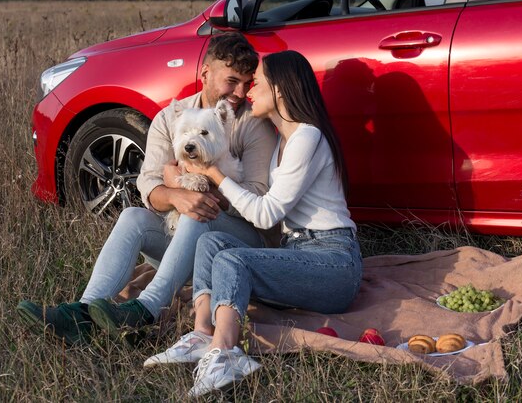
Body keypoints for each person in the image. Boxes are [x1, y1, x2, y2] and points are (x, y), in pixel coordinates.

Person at [17, 33, 277, 345]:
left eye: (247, 84)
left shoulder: (251, 125)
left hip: (239, 242)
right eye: (232, 80)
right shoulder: (172, 117)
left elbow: (259, 199)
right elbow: (148, 185)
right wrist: (176, 194)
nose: (239, 92)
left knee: (196, 209)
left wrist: (204, 193)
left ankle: (148, 307)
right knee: (133, 217)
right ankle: (82, 314)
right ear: (206, 73)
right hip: (186, 238)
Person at [144, 51, 362, 397]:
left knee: (233, 259)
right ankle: (202, 333)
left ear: (279, 89)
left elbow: (265, 214)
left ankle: (225, 351)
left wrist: (212, 173)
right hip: (297, 252)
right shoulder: (282, 140)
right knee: (210, 242)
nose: (249, 90)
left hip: (333, 262)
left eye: (257, 82)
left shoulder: (308, 136)